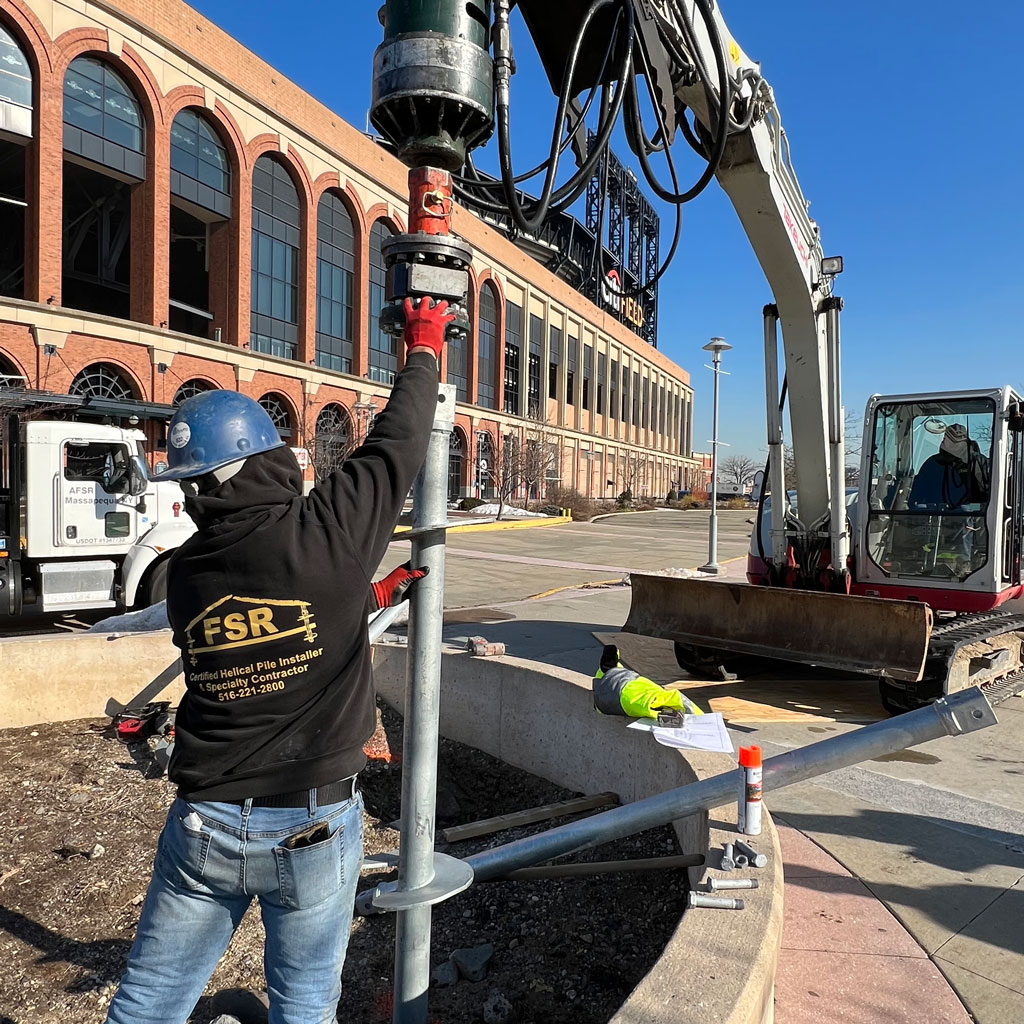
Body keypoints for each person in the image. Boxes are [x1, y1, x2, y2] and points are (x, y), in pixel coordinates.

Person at [104, 296, 454, 1024]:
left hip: (204, 824)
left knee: (145, 1006)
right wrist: (422, 350)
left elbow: (268, 615)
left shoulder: (190, 574)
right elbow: (398, 443)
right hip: (311, 826)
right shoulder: (327, 533)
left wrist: (363, 594)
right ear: (262, 465)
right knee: (303, 1007)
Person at [909, 423, 989, 509]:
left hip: (973, 518)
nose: (944, 440)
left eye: (955, 437)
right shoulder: (933, 463)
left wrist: (973, 509)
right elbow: (915, 499)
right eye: (946, 437)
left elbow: (989, 501)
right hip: (931, 517)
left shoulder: (978, 463)